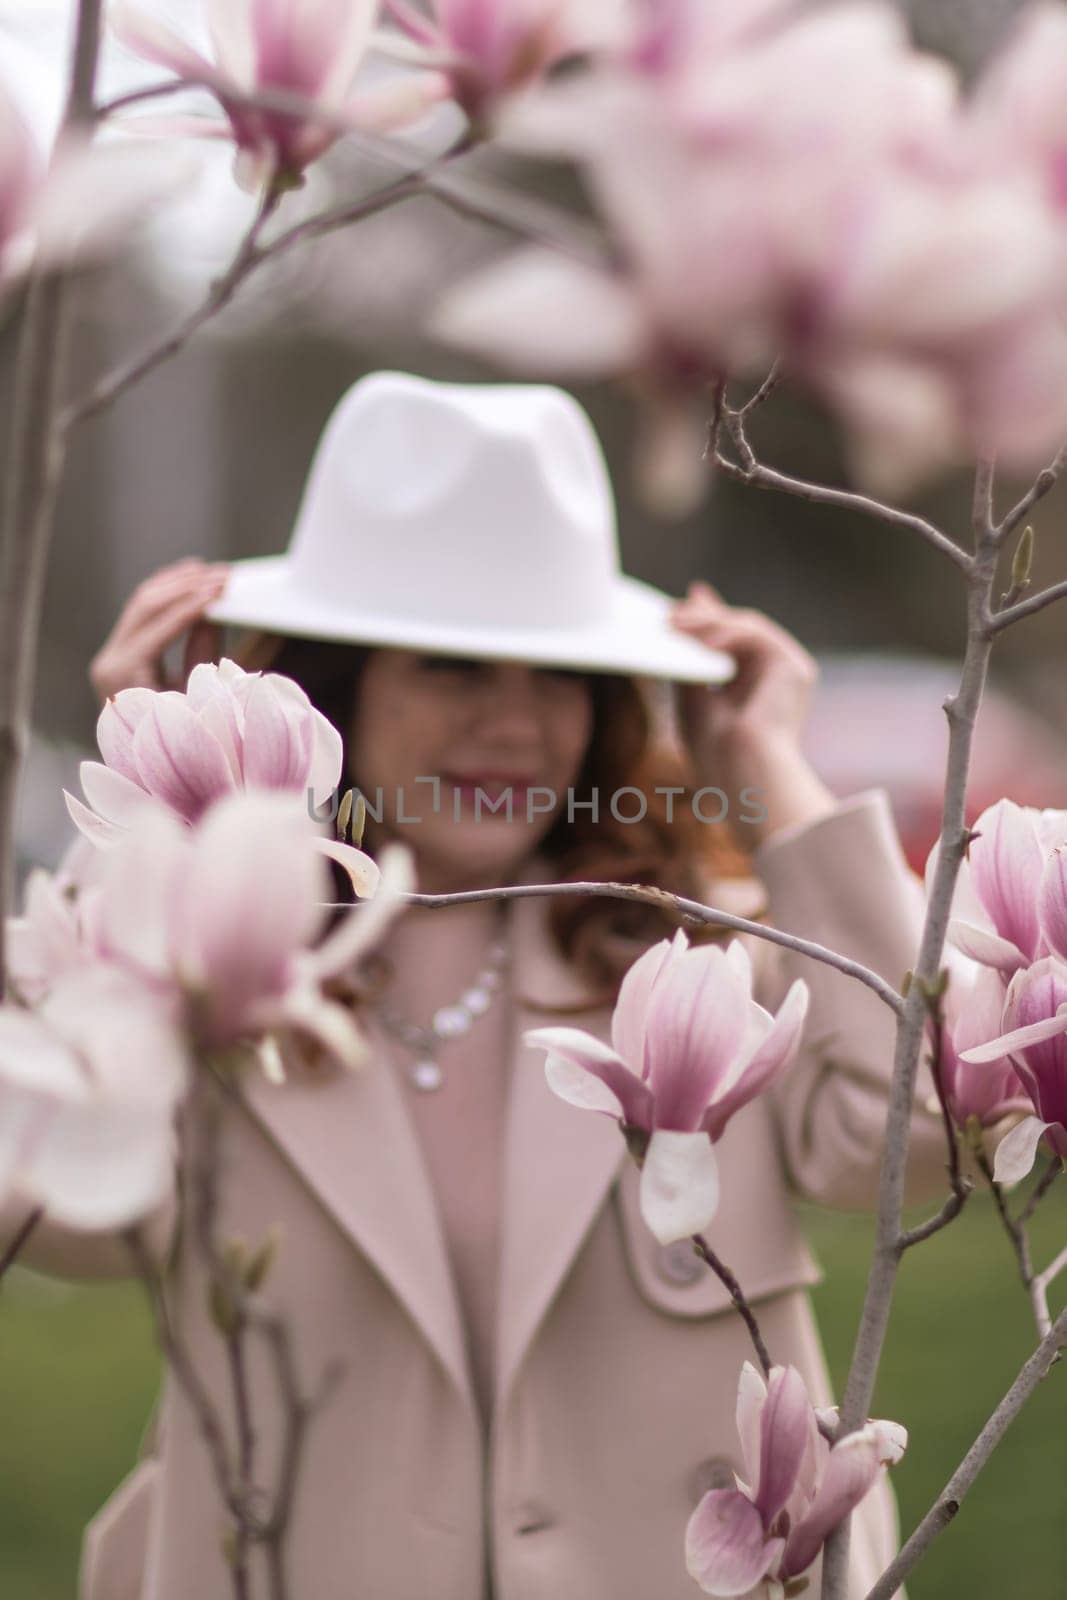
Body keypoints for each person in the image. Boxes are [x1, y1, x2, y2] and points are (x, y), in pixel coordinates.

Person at [9, 371, 948, 1600]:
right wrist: (159, 817)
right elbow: (48, 1206)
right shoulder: (224, 1000)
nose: (515, 725)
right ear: (342, 687)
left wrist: (772, 763)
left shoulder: (691, 955)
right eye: (454, 668)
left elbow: (917, 1142)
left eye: (557, 675)